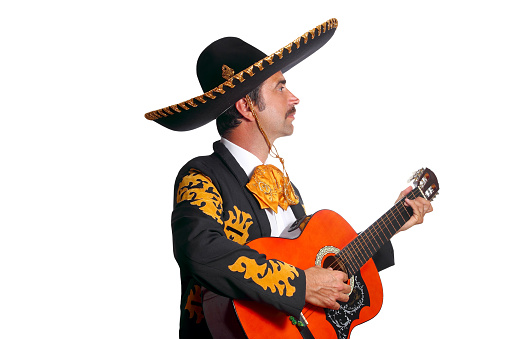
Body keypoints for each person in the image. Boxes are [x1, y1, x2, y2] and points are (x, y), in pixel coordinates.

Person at [144, 18, 433, 338]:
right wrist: (299, 284)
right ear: (246, 106)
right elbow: (199, 249)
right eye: (280, 87)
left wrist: (393, 223)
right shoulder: (201, 177)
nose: (293, 97)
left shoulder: (286, 190)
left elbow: (322, 271)